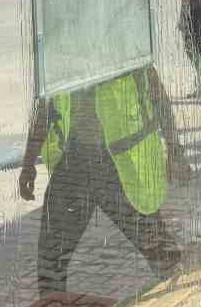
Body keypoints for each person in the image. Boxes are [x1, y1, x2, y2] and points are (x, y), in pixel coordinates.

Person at [19, 63, 189, 295]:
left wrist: (175, 149)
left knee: (159, 251)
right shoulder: (60, 54)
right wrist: (28, 163)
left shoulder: (125, 50)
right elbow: (45, 108)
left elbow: (158, 97)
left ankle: (183, 297)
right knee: (51, 259)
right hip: (75, 162)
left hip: (120, 165)